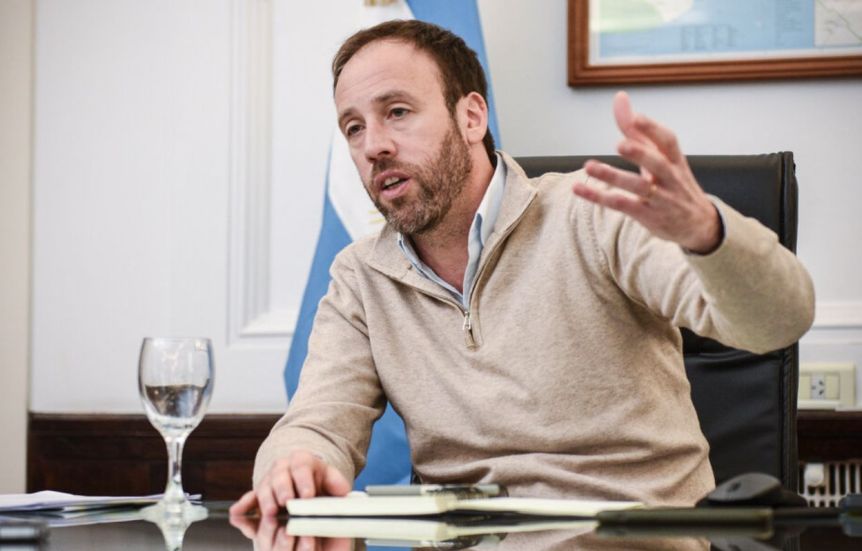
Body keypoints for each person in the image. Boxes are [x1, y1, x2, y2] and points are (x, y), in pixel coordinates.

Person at [230, 19, 814, 516]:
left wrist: (709, 235)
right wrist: (294, 463)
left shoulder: (595, 214)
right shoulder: (360, 277)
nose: (373, 146)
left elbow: (779, 321)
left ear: (472, 117)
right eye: (354, 127)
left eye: (397, 112)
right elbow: (318, 421)